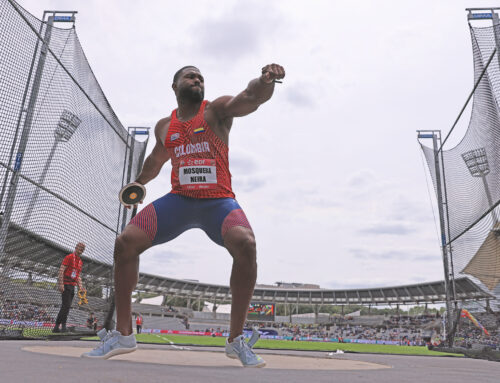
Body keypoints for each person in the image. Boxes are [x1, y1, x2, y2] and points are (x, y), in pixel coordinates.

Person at [82, 63, 285, 367]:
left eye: (201, 77)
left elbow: (251, 97)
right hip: (180, 201)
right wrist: (139, 182)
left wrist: (266, 81)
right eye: (190, 76)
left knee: (246, 245)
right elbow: (155, 161)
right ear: (175, 86)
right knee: (126, 243)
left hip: (218, 202)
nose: (197, 80)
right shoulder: (165, 126)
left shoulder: (216, 111)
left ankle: (235, 340)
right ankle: (124, 335)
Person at [53, 242, 86, 333]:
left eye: (82, 249)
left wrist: (81, 287)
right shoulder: (70, 257)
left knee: (66, 307)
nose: (81, 250)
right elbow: (61, 270)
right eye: (80, 247)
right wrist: (61, 284)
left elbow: (78, 276)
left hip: (72, 286)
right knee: (66, 306)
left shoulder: (80, 262)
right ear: (76, 247)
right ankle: (63, 326)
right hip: (66, 284)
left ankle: (56, 327)